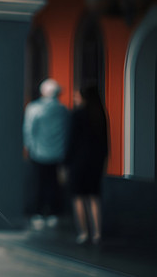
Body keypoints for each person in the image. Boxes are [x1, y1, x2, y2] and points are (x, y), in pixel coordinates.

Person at [22, 78, 69, 230]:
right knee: (53, 183)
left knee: (39, 183)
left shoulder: (34, 108)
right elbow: (67, 132)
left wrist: (29, 147)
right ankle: (53, 212)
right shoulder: (63, 110)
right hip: (57, 153)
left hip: (38, 152)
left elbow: (28, 129)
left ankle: (38, 213)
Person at [64, 85, 108, 245]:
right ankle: (97, 234)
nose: (75, 99)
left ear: (84, 97)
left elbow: (71, 142)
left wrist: (66, 162)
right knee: (94, 197)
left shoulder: (77, 115)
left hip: (78, 163)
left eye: (77, 96)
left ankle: (83, 233)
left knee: (78, 197)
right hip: (96, 163)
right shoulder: (101, 115)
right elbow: (105, 144)